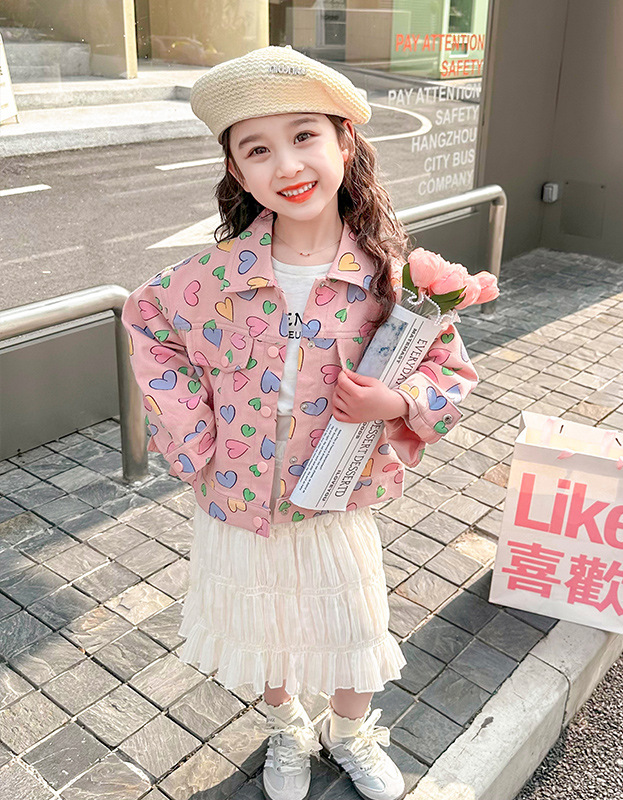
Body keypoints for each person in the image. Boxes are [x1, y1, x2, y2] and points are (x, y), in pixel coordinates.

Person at [121, 45, 478, 800]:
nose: (287, 164)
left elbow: (449, 369)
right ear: (237, 170)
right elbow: (147, 324)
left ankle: (349, 733)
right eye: (258, 149)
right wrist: (198, 444)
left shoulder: (391, 279)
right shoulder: (206, 279)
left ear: (345, 141)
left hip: (335, 498)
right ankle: (288, 729)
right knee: (265, 630)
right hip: (238, 496)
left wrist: (396, 405)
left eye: (305, 135)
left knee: (353, 628)